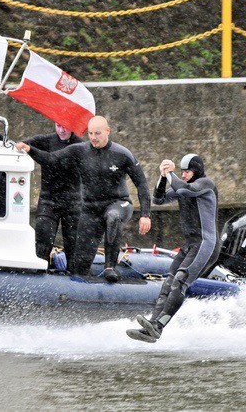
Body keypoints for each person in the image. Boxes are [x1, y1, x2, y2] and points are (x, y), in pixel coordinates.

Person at [16, 116, 151, 282]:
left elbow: (142, 184)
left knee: (113, 217)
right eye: (91, 133)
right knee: (78, 266)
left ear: (108, 131)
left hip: (118, 203)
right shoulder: (79, 150)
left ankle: (110, 266)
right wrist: (30, 149)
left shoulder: (122, 154)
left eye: (98, 133)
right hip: (90, 209)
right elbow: (50, 160)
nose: (93, 137)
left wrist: (145, 214)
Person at [127, 153, 221, 343]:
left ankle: (159, 326)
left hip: (205, 244)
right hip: (190, 244)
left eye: (187, 172)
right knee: (168, 282)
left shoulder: (205, 185)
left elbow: (185, 189)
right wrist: (163, 177)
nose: (184, 175)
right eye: (182, 172)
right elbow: (159, 199)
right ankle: (151, 326)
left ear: (196, 171)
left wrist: (170, 173)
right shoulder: (184, 185)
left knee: (180, 280)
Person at [23, 123, 83, 264]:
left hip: (73, 203)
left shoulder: (81, 146)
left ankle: (74, 275)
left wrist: (31, 150)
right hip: (49, 201)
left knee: (73, 246)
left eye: (66, 127)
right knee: (43, 243)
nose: (61, 130)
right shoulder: (47, 140)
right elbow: (17, 145)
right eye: (58, 126)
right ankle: (39, 273)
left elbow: (51, 160)